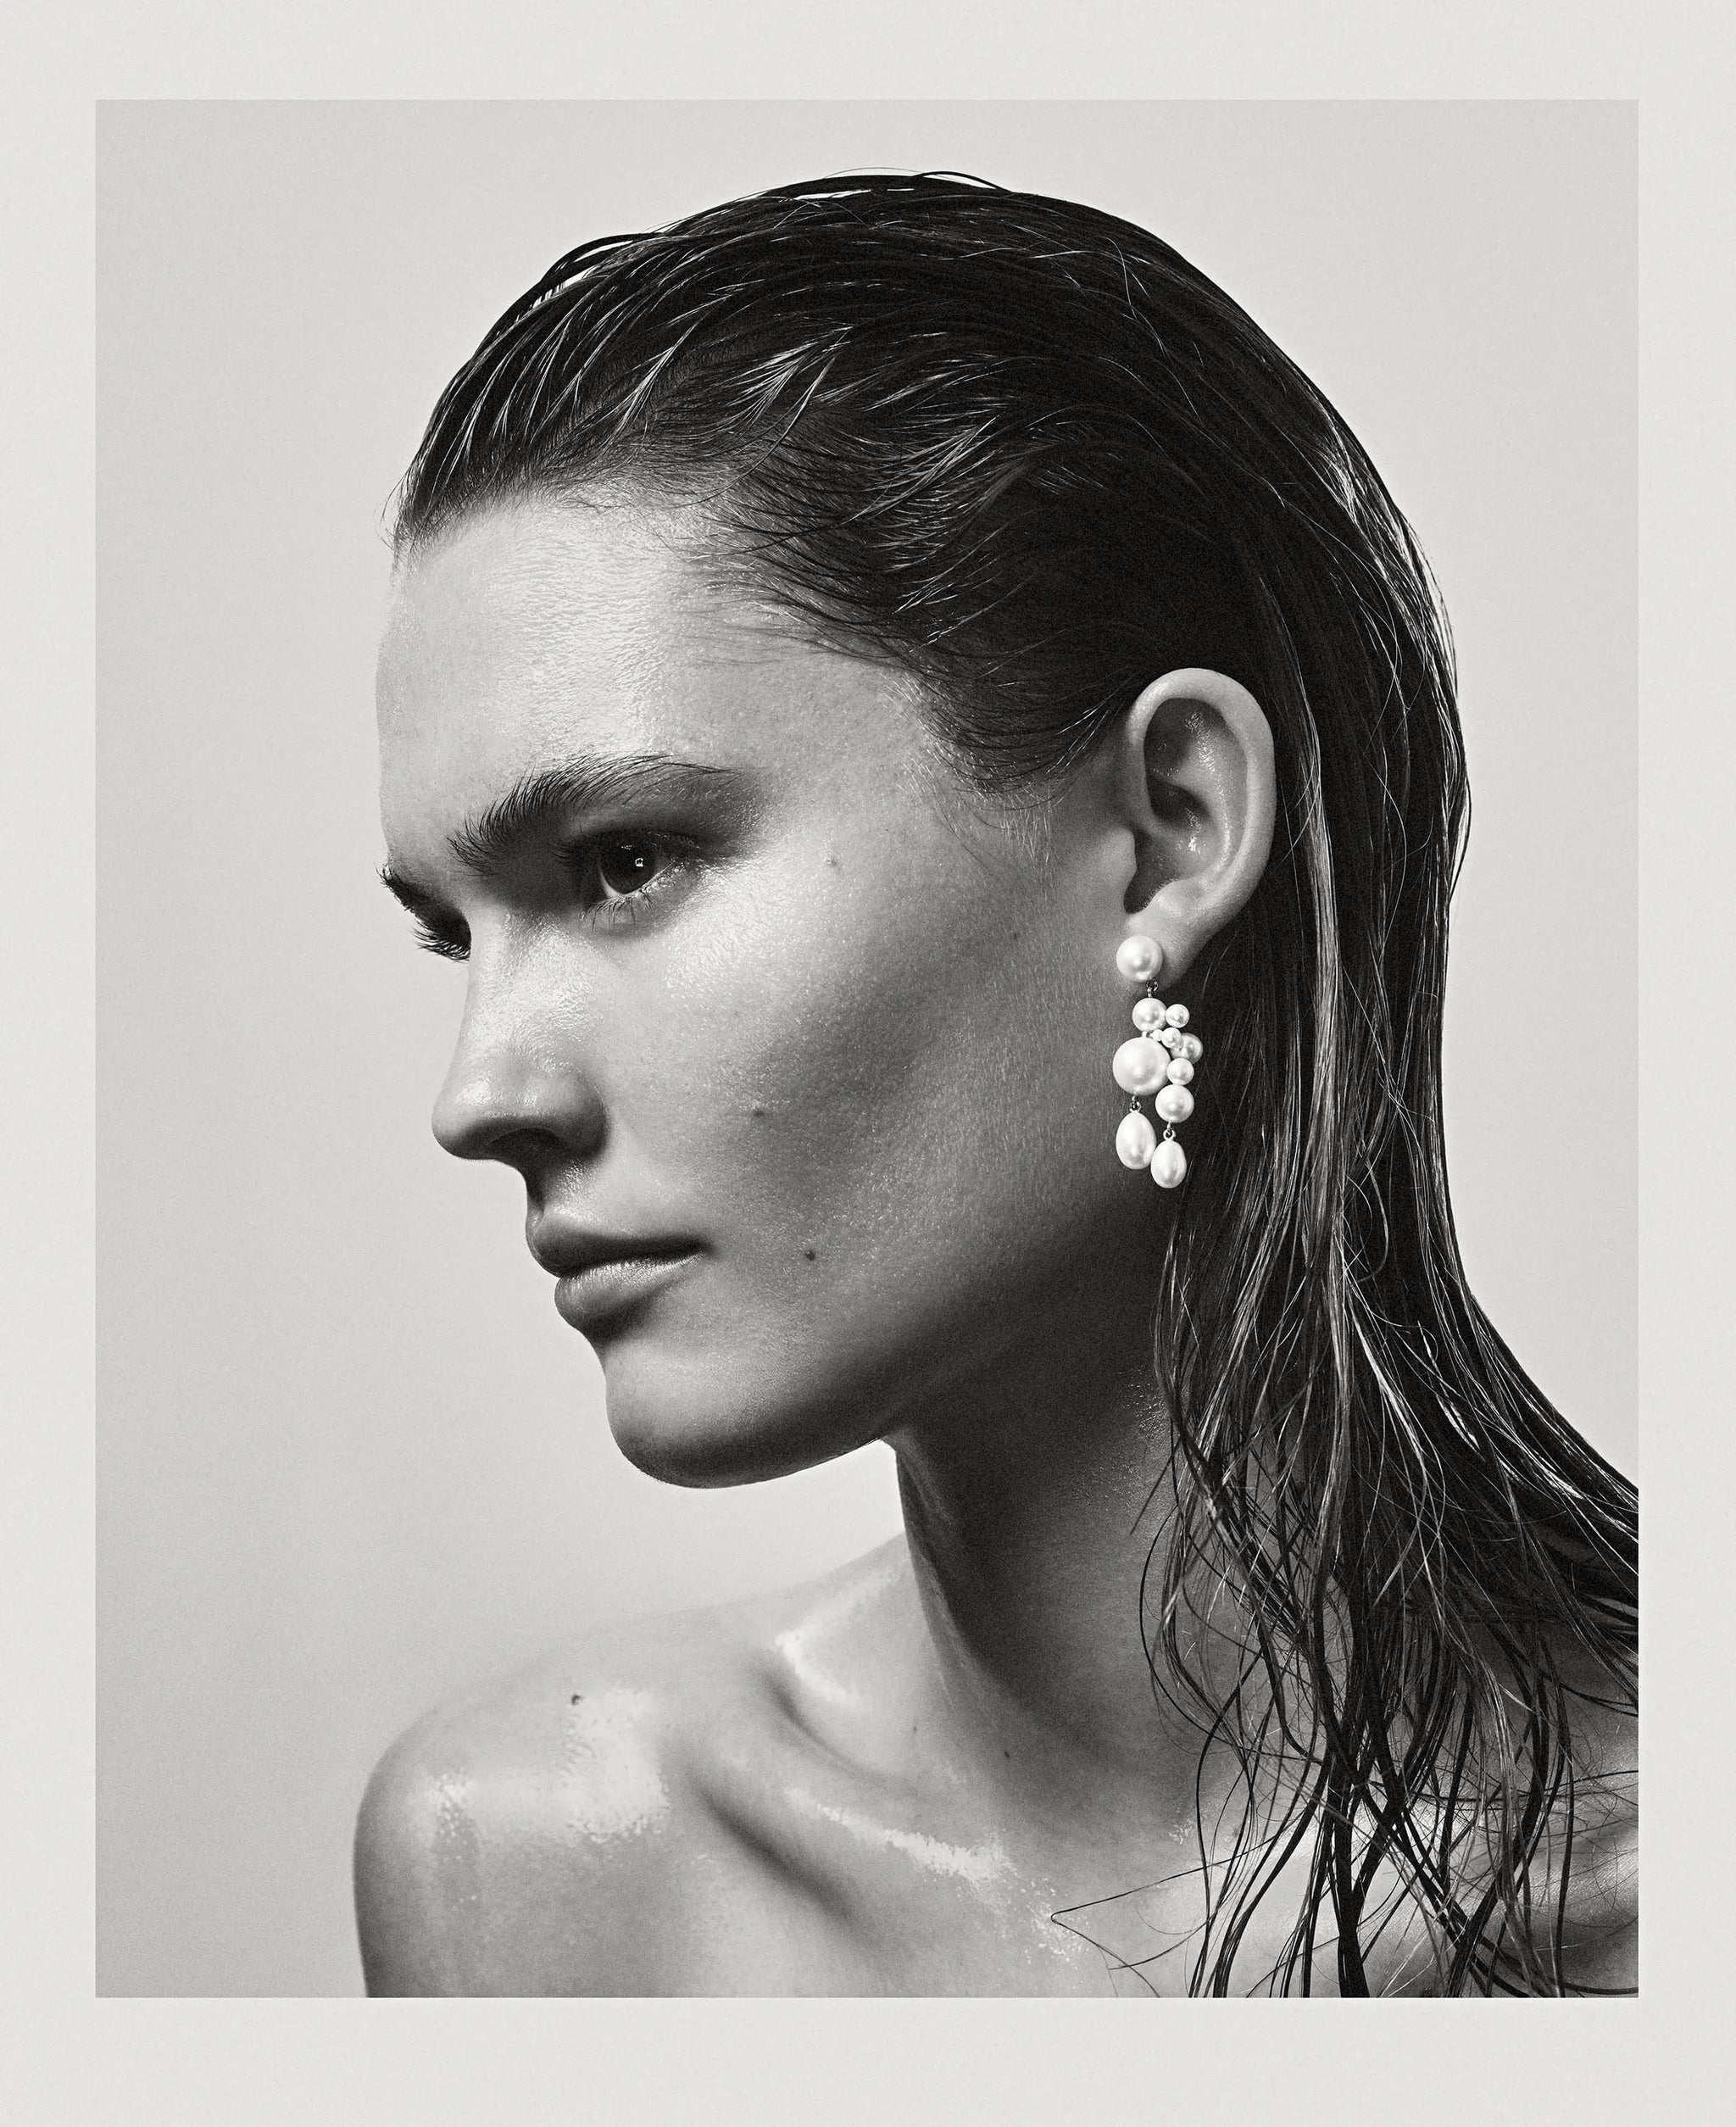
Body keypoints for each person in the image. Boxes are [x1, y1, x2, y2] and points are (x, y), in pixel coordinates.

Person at [354, 173, 1638, 1996]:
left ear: (1167, 831)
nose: (481, 1090)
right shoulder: (541, 1871)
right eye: (448, 933)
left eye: (624, 860)